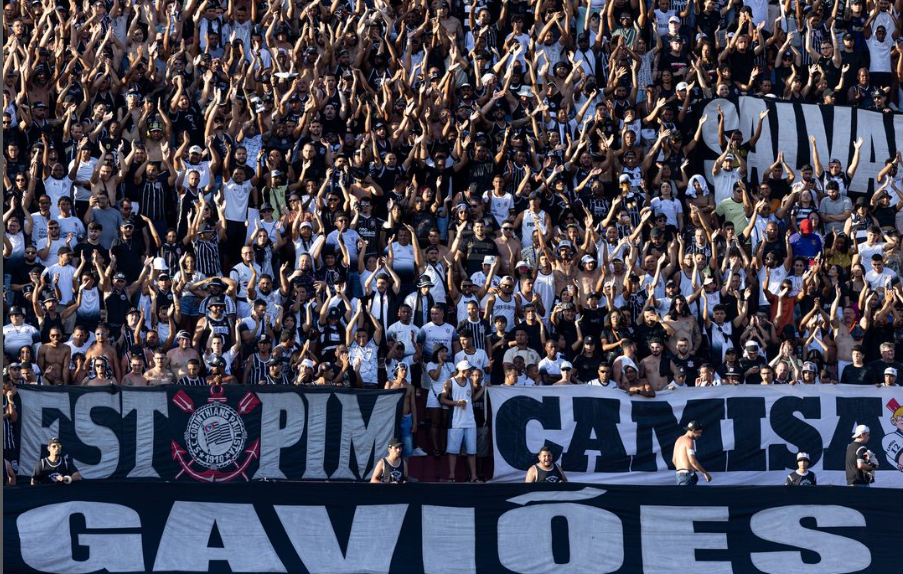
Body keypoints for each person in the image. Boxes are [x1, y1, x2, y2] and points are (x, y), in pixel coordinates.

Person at [440, 360, 486, 483]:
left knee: (472, 451)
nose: (471, 372)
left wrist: (483, 389)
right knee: (453, 451)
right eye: (469, 371)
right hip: (456, 421)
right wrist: (456, 403)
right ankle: (451, 476)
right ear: (462, 371)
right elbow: (442, 399)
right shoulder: (450, 382)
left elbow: (472, 399)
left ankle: (474, 477)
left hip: (470, 421)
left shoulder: (469, 382)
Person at [672, 420, 712, 486]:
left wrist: (682, 471)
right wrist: (705, 474)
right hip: (687, 477)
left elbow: (674, 460)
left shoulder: (678, 440)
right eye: (699, 433)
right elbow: (693, 461)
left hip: (680, 476)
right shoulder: (689, 441)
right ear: (693, 430)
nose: (700, 435)